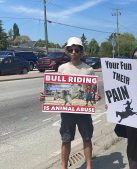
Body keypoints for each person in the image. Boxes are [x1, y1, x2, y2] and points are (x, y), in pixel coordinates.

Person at [39, 37, 100, 169]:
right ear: (67, 51)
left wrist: (96, 96)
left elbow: (94, 92)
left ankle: (89, 166)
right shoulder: (62, 68)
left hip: (84, 112)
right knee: (66, 139)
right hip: (67, 112)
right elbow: (56, 89)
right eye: (71, 49)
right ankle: (63, 166)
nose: (73, 52)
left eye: (76, 49)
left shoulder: (88, 70)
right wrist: (46, 96)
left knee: (87, 138)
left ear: (81, 52)